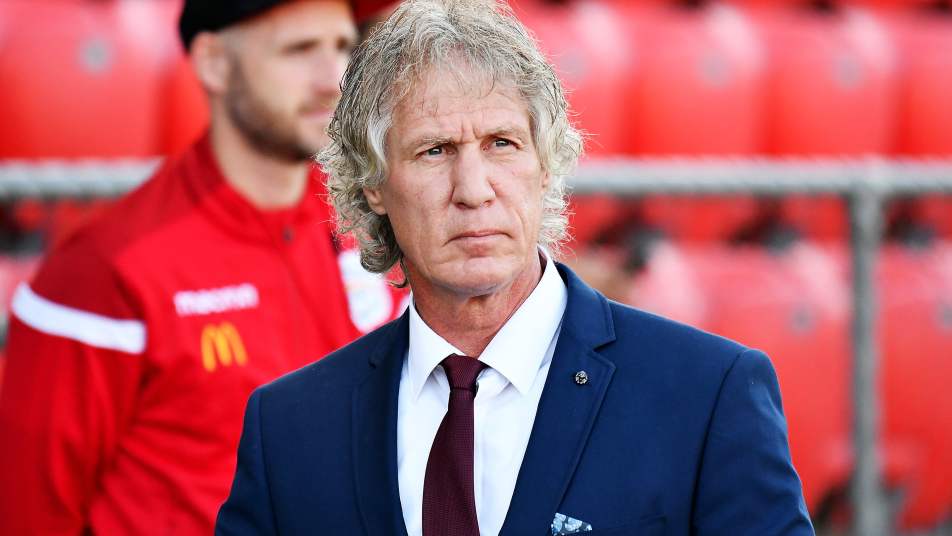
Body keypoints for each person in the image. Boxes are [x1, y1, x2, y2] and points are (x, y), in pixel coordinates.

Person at [216, 0, 815, 534]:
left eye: (501, 144)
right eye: (434, 151)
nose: (474, 190)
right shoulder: (289, 428)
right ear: (373, 185)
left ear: (545, 163)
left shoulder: (708, 393)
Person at [0, 1, 402, 534]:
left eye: (343, 47)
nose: (334, 79)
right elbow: (30, 515)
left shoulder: (383, 222)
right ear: (214, 63)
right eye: (300, 49)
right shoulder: (104, 269)